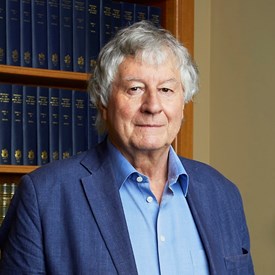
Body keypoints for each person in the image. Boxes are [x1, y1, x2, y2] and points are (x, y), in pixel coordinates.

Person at [0, 21, 254, 274]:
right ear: (103, 102)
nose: (153, 106)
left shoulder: (224, 195)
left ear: (183, 102)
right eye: (135, 89)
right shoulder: (45, 196)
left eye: (166, 89)